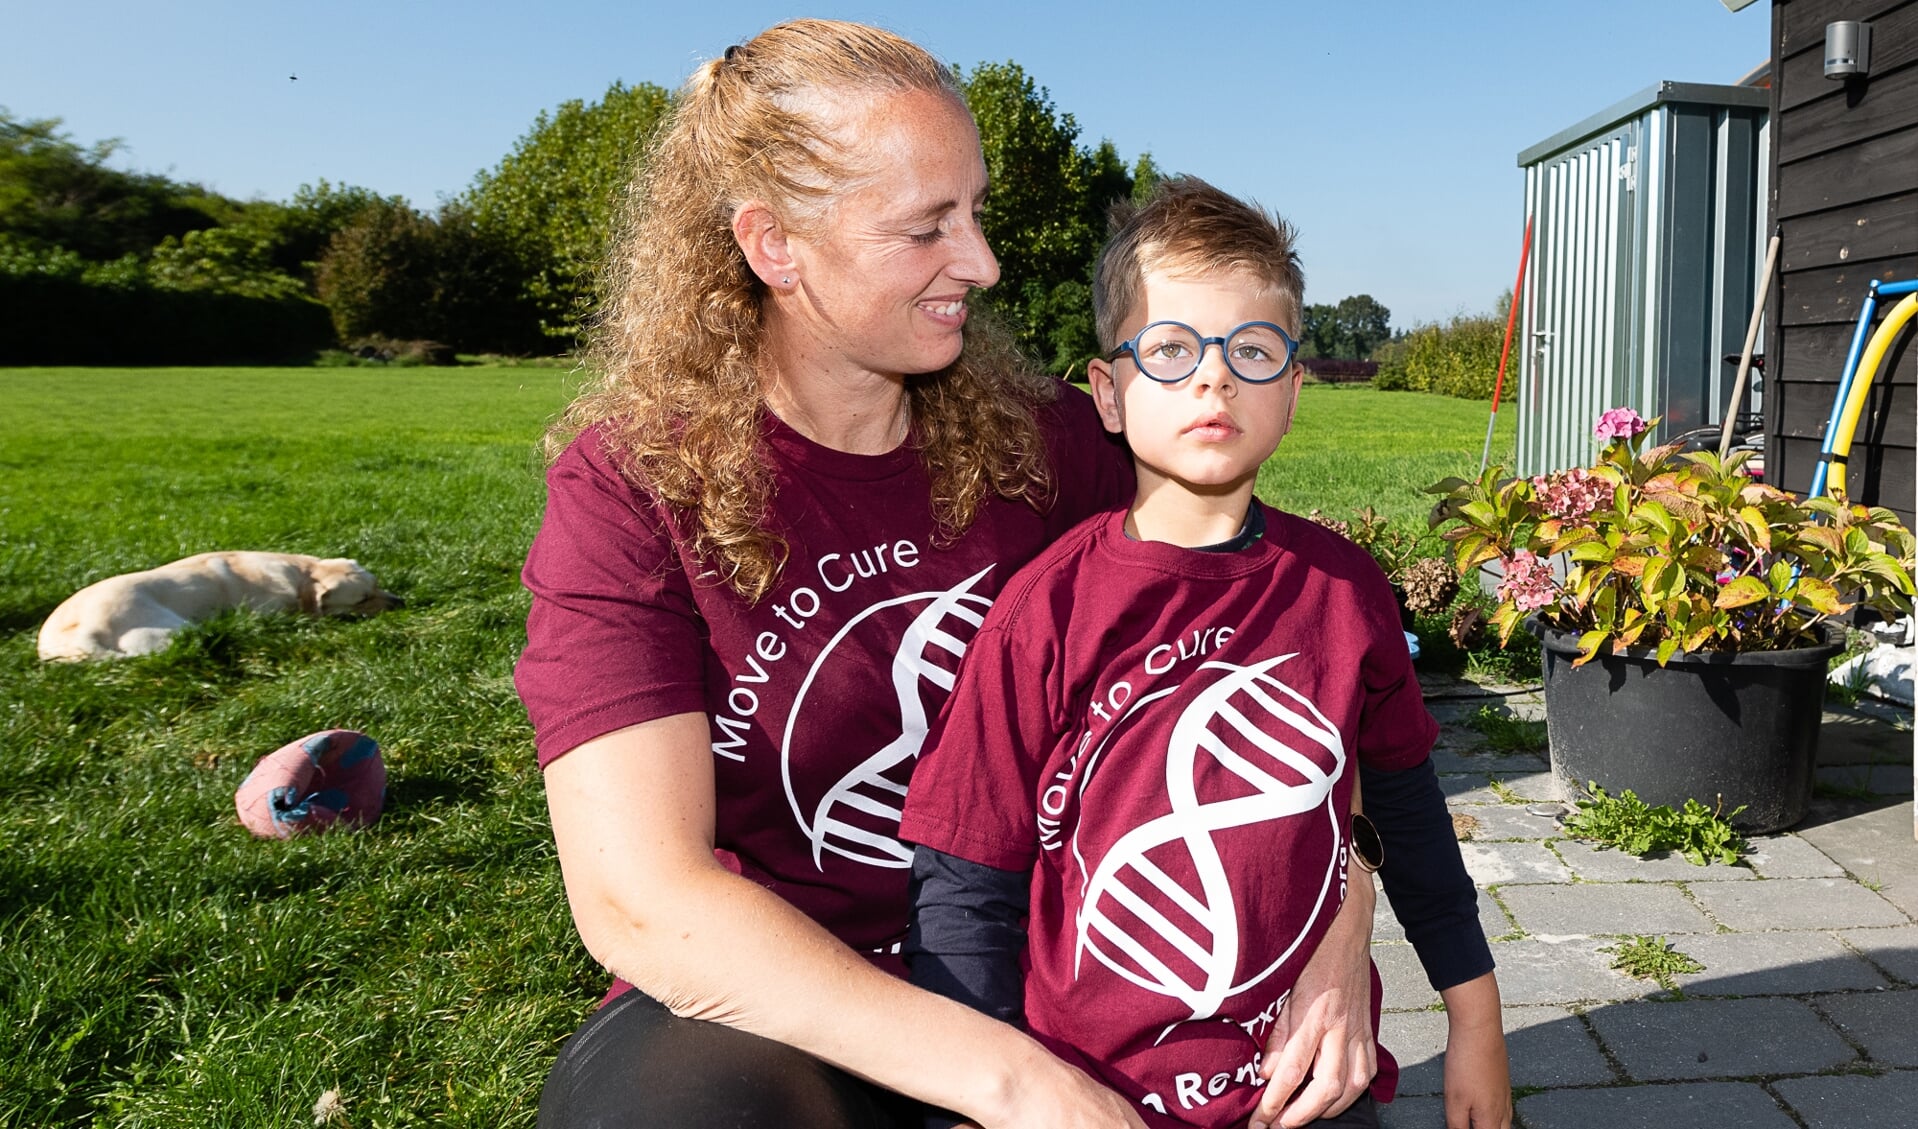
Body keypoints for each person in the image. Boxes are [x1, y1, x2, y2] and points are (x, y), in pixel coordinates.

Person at [515, 19, 1451, 1129]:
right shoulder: (633, 487)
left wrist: (1333, 939)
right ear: (773, 245)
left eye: (976, 212)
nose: (984, 263)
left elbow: (1313, 670)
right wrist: (1016, 1086)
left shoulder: (1062, 446)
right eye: (926, 229)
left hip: (1081, 979)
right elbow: (641, 899)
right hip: (781, 1007)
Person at [898, 179, 1511, 1129]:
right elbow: (967, 885)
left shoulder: (1346, 592)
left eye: (1253, 352)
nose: (1214, 379)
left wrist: (1477, 1021)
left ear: (1296, 390)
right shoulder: (1043, 612)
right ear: (1108, 391)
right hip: (1093, 1097)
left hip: (1307, 1091)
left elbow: (1409, 810)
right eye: (1173, 349)